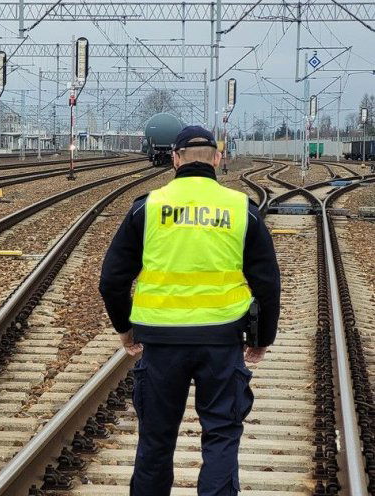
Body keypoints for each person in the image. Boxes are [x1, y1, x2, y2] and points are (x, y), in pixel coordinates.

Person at [98, 126, 281, 496]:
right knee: (222, 436)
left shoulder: (147, 208)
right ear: (217, 159)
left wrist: (125, 330)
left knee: (155, 439)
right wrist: (262, 339)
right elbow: (267, 283)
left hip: (160, 343)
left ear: (175, 160)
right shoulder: (240, 209)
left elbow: (112, 280)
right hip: (222, 341)